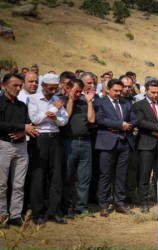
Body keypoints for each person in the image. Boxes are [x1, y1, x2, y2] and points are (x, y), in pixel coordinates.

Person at [28, 73, 69, 225]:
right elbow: (35, 119)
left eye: (55, 88)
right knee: (38, 176)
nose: (53, 91)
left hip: (55, 137)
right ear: (43, 86)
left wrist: (55, 118)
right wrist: (53, 109)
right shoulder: (33, 99)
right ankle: (37, 213)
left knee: (56, 176)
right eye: (50, 88)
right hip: (40, 138)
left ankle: (54, 212)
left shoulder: (57, 100)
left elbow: (64, 120)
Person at [94, 79, 138, 217]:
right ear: (108, 90)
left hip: (125, 143)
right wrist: (120, 125)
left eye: (121, 90)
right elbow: (100, 120)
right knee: (105, 174)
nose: (119, 93)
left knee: (121, 175)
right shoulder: (100, 102)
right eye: (116, 91)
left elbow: (135, 119)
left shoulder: (126, 102)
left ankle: (119, 203)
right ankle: (104, 205)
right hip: (107, 143)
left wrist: (127, 125)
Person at [0, 73, 38, 228]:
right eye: (14, 85)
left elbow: (30, 125)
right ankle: (2, 215)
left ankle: (15, 214)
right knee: (1, 183)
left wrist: (23, 131)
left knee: (19, 184)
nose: (18, 88)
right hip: (4, 145)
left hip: (22, 146)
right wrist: (21, 127)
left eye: (19, 86)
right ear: (4, 85)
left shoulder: (22, 105)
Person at [60, 78, 95, 217]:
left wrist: (89, 101)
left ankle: (81, 207)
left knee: (84, 177)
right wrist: (70, 100)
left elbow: (92, 120)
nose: (78, 94)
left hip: (85, 142)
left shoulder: (84, 101)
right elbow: (65, 118)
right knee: (67, 177)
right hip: (68, 142)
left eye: (80, 92)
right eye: (75, 91)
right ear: (68, 88)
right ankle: (66, 208)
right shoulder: (60, 101)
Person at [133, 80, 158, 214]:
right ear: (146, 91)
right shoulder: (138, 105)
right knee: (144, 174)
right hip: (146, 143)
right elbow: (140, 122)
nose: (155, 95)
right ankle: (144, 202)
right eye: (153, 92)